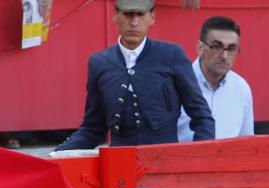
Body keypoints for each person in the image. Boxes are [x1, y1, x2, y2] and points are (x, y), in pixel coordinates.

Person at [56, 0, 214, 150]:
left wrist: (198, 157)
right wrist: (55, 154)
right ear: (116, 15)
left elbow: (201, 116)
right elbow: (93, 128)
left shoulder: (171, 55)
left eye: (140, 14)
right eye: (128, 14)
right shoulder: (99, 63)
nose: (134, 22)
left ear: (152, 16)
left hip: (164, 160)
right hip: (119, 163)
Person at [176, 16, 254, 142]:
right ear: (200, 48)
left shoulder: (241, 87)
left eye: (232, 48)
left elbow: (246, 140)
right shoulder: (177, 83)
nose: (224, 56)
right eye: (217, 47)